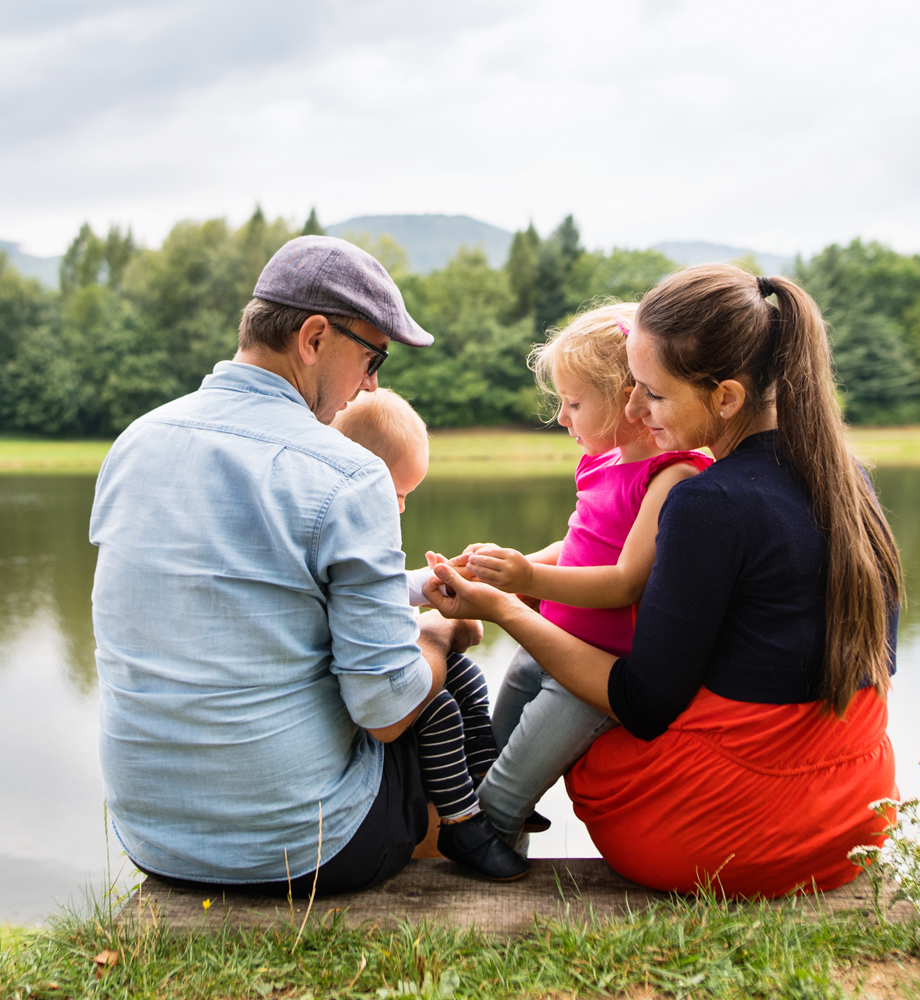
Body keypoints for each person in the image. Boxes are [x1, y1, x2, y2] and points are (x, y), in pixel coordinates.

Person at [424, 266, 901, 897]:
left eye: (650, 392)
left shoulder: (708, 503)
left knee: (576, 711)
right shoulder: (848, 483)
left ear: (726, 398)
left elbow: (642, 702)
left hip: (722, 837)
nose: (634, 409)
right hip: (851, 823)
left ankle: (480, 829)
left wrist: (510, 610)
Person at [90, 236, 481, 896]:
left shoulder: (135, 443)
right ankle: (471, 870)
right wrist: (442, 634)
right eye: (372, 356)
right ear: (313, 338)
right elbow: (383, 709)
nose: (372, 383)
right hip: (308, 850)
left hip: (153, 839)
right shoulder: (349, 472)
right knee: (443, 684)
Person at [451, 303, 711, 846]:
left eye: (572, 403)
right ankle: (491, 868)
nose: (561, 419)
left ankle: (492, 895)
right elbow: (578, 545)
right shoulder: (601, 459)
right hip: (547, 646)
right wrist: (509, 567)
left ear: (628, 397)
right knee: (489, 769)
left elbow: (623, 583)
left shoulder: (672, 475)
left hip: (593, 680)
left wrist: (527, 580)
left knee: (502, 796)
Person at [331, 389, 528, 879]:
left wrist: (430, 584)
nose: (400, 509)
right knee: (436, 708)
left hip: (370, 668)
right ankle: (462, 825)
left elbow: (384, 590)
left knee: (464, 674)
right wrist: (435, 627)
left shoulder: (354, 520)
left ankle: (482, 777)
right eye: (397, 494)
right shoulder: (341, 527)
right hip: (344, 685)